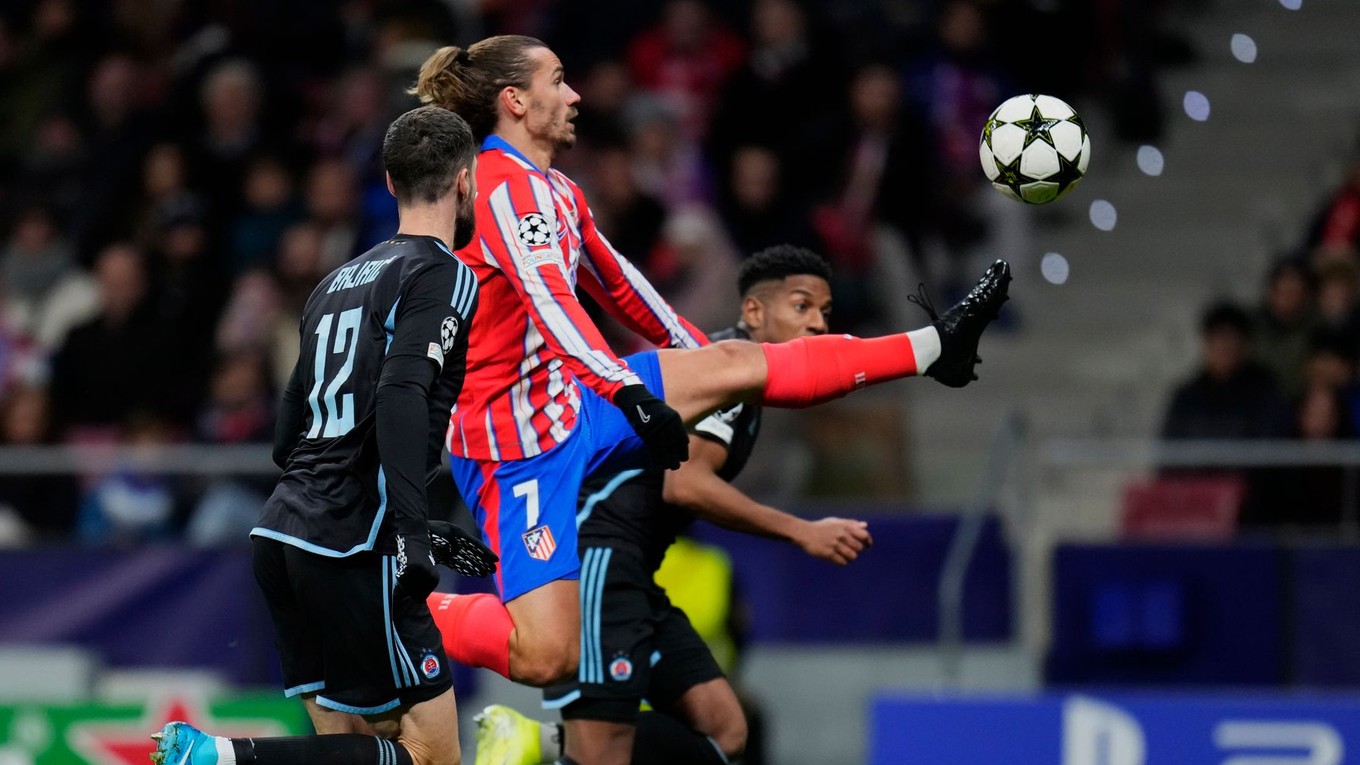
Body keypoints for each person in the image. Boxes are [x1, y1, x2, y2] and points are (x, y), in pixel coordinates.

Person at [413, 35, 1011, 691]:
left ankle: (935, 348)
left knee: (737, 361)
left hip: (575, 402)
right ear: (516, 101)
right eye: (559, 80)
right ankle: (404, 610)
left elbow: (619, 286)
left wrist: (696, 351)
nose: (575, 94)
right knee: (547, 656)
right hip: (515, 452)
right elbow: (550, 302)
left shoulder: (554, 188)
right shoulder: (497, 186)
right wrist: (628, 392)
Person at [151, 106, 491, 765]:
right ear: (465, 180)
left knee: (352, 749)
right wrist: (413, 532)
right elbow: (400, 392)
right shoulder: (446, 274)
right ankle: (222, 755)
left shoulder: (333, 282)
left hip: (284, 531)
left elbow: (287, 434)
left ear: (389, 183)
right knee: (431, 756)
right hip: (354, 540)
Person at [463, 245, 872, 765]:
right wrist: (800, 530)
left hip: (634, 572)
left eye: (825, 313)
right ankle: (534, 738)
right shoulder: (726, 374)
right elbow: (686, 484)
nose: (817, 324)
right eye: (801, 307)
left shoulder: (736, 377)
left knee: (727, 731)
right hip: (597, 559)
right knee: (602, 754)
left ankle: (548, 742)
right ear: (753, 312)